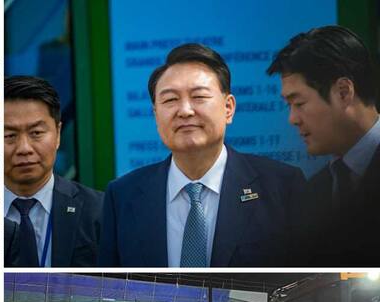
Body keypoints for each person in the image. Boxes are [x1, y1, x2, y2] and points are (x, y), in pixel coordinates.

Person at [99, 44, 305, 267]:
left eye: (198, 97)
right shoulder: (122, 197)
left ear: (229, 108)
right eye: (170, 100)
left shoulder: (281, 187)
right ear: (155, 115)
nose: (185, 110)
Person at [267, 26, 380, 265]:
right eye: (289, 106)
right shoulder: (314, 193)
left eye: (299, 103)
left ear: (343, 91)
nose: (293, 119)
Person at [5, 76, 103, 267]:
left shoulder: (100, 212)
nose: (24, 148)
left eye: (36, 133)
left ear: (58, 134)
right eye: (9, 135)